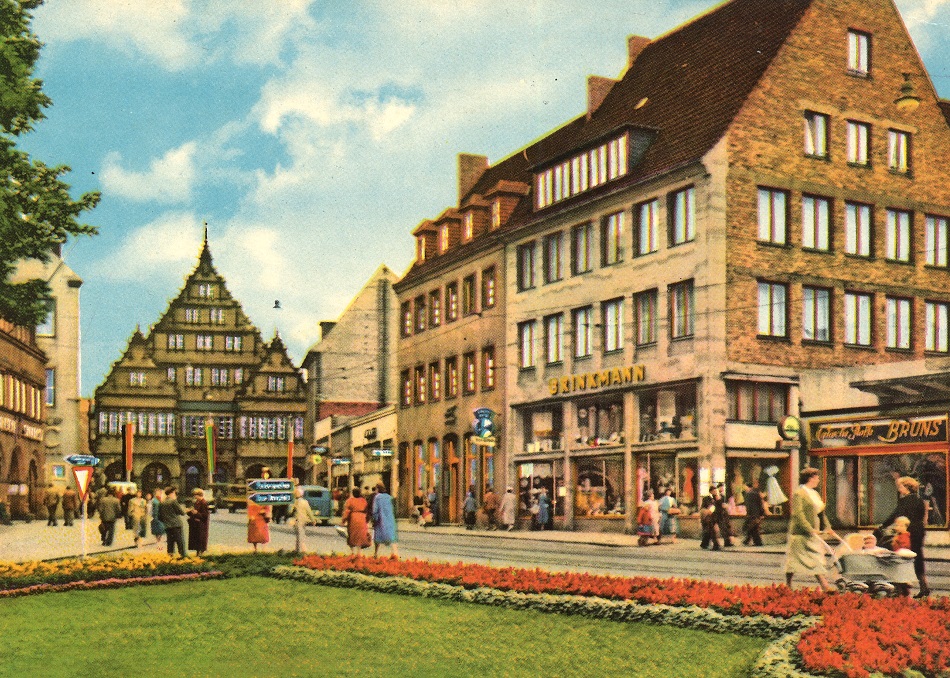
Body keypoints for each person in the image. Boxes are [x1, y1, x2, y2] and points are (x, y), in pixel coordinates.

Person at [784, 467, 841, 592]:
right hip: (800, 533)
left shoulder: (814, 494)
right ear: (811, 478)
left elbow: (821, 512)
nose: (819, 480)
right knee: (793, 561)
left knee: (816, 558)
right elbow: (798, 514)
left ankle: (825, 586)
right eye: (817, 477)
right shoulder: (799, 493)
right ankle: (788, 584)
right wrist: (809, 529)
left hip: (813, 533)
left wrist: (828, 527)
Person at [879, 476, 930, 598]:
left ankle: (901, 587)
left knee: (900, 557)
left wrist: (882, 526)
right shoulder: (919, 500)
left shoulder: (905, 501)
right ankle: (923, 586)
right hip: (919, 532)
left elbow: (896, 515)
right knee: (917, 558)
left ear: (907, 488)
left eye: (900, 486)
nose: (899, 489)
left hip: (908, 532)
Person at [371, 483, 399, 558]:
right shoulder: (389, 497)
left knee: (377, 538)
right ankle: (394, 553)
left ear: (378, 489)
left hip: (380, 520)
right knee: (391, 537)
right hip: (390, 519)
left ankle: (376, 553)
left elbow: (375, 510)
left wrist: (374, 519)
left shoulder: (377, 497)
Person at [341, 487, 371, 555]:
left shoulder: (350, 501)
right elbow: (367, 510)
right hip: (362, 518)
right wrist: (367, 519)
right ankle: (359, 552)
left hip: (353, 518)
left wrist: (343, 521)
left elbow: (346, 511)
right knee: (361, 535)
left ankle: (352, 552)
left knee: (352, 535)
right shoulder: (363, 501)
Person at [159, 487, 188, 557]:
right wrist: (188, 510)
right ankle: (183, 556)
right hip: (176, 525)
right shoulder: (173, 501)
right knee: (180, 542)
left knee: (170, 542)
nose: (175, 494)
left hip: (167, 525)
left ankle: (170, 556)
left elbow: (160, 516)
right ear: (171, 493)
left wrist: (165, 521)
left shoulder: (162, 503)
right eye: (174, 493)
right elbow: (181, 512)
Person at [742, 482, 769, 547]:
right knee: (753, 528)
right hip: (757, 514)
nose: (744, 488)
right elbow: (760, 504)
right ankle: (750, 541)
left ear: (747, 487)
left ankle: (754, 541)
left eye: (745, 487)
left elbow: (748, 506)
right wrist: (762, 513)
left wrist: (748, 513)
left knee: (751, 528)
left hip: (751, 514)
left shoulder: (748, 494)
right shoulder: (757, 493)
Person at [290, 487, 316, 554]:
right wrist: (313, 520)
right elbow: (309, 512)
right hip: (303, 521)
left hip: (296, 521)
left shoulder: (294, 502)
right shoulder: (305, 502)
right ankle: (299, 550)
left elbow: (289, 512)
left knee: (299, 536)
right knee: (301, 535)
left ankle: (300, 550)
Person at [187, 488, 210, 556]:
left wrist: (196, 513)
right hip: (196, 524)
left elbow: (205, 515)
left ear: (199, 495)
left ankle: (201, 553)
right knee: (196, 539)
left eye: (195, 495)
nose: (194, 497)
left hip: (201, 525)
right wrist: (189, 512)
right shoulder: (197, 502)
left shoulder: (204, 503)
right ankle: (198, 553)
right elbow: (194, 512)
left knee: (200, 540)